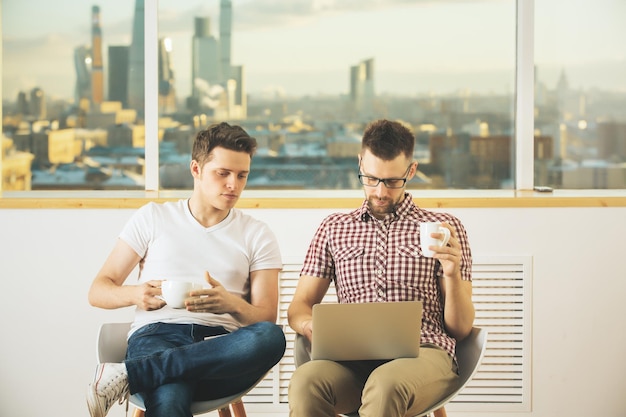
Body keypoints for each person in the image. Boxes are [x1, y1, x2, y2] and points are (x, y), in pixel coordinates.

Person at [86, 122, 286, 417]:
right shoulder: (153, 217)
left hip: (220, 349)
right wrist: (135, 294)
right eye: (223, 174)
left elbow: (266, 317)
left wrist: (230, 304)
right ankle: (147, 370)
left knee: (272, 337)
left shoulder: (256, 233)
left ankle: (131, 374)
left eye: (242, 175)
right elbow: (98, 290)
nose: (234, 184)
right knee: (170, 400)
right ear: (196, 169)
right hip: (157, 336)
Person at [287, 119, 475, 417]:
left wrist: (452, 275)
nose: (379, 191)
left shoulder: (444, 229)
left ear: (411, 171)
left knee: (386, 384)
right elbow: (300, 305)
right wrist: (309, 326)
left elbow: (461, 329)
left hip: (422, 353)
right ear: (360, 163)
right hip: (350, 360)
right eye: (371, 178)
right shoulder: (333, 228)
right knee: (306, 382)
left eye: (391, 181)